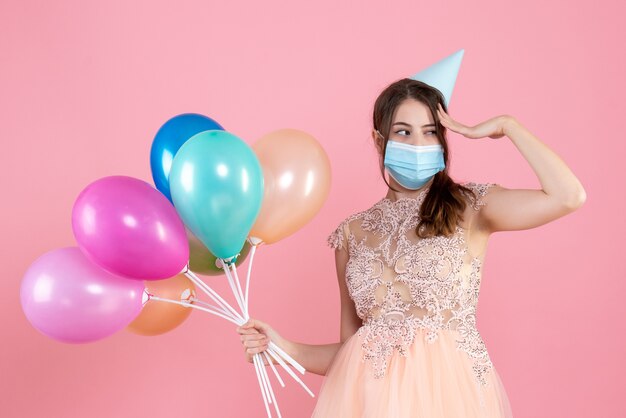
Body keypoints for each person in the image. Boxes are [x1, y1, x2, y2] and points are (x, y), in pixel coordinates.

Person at [236, 77, 586, 417]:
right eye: (404, 131)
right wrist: (283, 347)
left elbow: (568, 196)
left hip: (451, 402)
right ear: (379, 140)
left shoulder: (473, 207)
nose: (418, 143)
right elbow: (352, 353)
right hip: (370, 404)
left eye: (430, 131)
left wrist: (508, 127)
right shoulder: (352, 234)